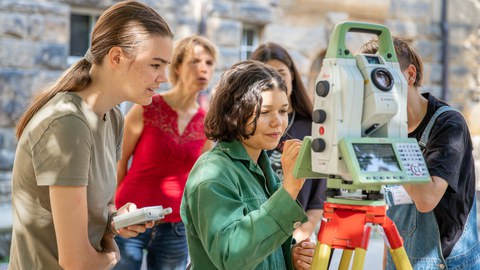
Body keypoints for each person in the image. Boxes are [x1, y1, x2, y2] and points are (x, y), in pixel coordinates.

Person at [8, 1, 174, 269]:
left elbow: (104, 208)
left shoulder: (113, 117)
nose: (163, 77)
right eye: (156, 64)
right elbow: (76, 261)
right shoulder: (67, 124)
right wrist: (113, 256)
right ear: (116, 57)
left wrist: (117, 220)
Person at [181, 60, 316, 270]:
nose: (278, 122)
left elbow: (261, 249)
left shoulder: (261, 166)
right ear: (234, 113)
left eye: (282, 111)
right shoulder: (212, 173)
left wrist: (292, 257)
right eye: (264, 112)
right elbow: (231, 255)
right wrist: (289, 189)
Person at [359, 37, 480, 269]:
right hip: (401, 257)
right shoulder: (378, 128)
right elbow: (390, 205)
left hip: (448, 262)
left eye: (382, 78)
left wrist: (389, 141)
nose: (374, 92)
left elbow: (426, 199)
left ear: (410, 74)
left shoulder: (448, 124)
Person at [114, 35, 217, 270]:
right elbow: (119, 162)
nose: (203, 68)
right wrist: (113, 210)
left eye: (209, 63)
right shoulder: (147, 106)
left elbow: (199, 179)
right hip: (131, 216)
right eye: (195, 61)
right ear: (177, 67)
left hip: (177, 226)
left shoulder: (207, 123)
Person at [250, 42, 327, 242]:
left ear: (292, 74)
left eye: (280, 72)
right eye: (265, 75)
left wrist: (302, 234)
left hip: (300, 235)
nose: (274, 80)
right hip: (258, 232)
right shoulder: (249, 128)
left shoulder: (313, 126)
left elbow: (319, 196)